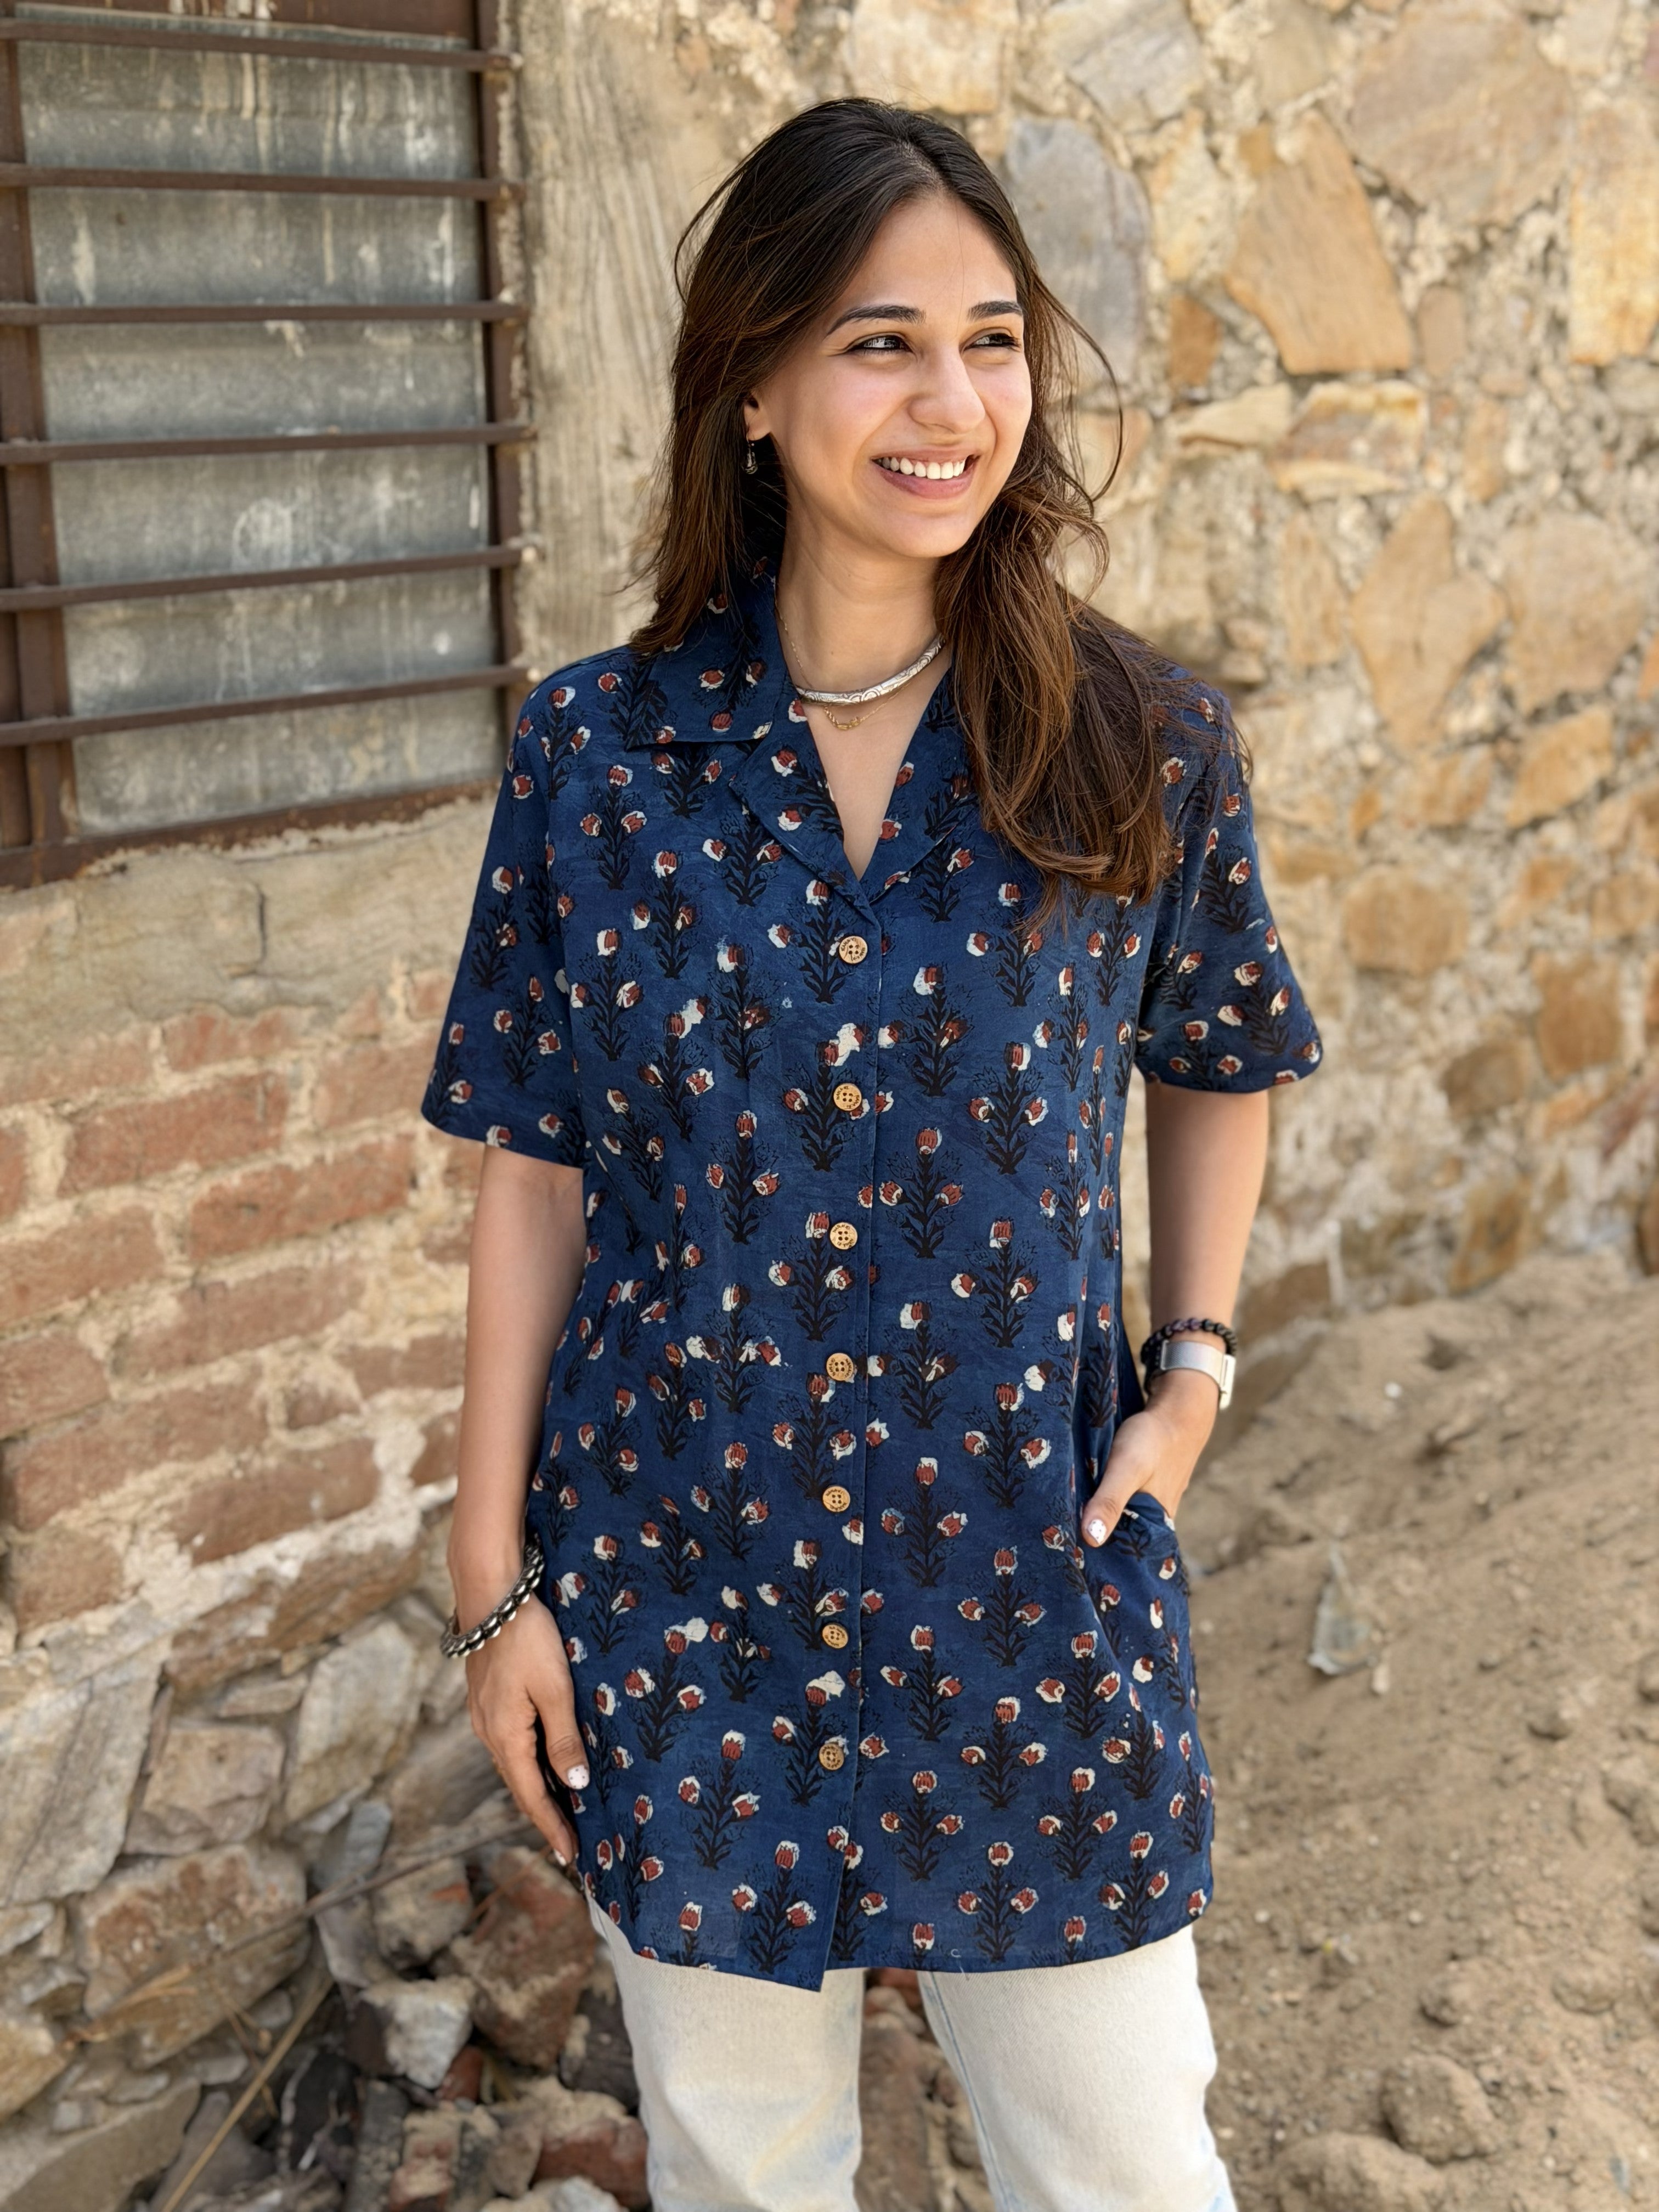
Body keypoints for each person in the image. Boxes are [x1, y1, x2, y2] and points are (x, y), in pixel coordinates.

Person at [421, 95, 1321, 2212]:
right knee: (745, 2167)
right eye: (879, 340)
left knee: (1118, 2155)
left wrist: (1191, 1372)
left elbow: (1224, 1049)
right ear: (753, 382)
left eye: (994, 338)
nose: (951, 400)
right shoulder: (598, 756)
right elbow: (533, 1175)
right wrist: (491, 1571)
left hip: (1029, 1562)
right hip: (679, 1579)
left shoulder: (1136, 739)